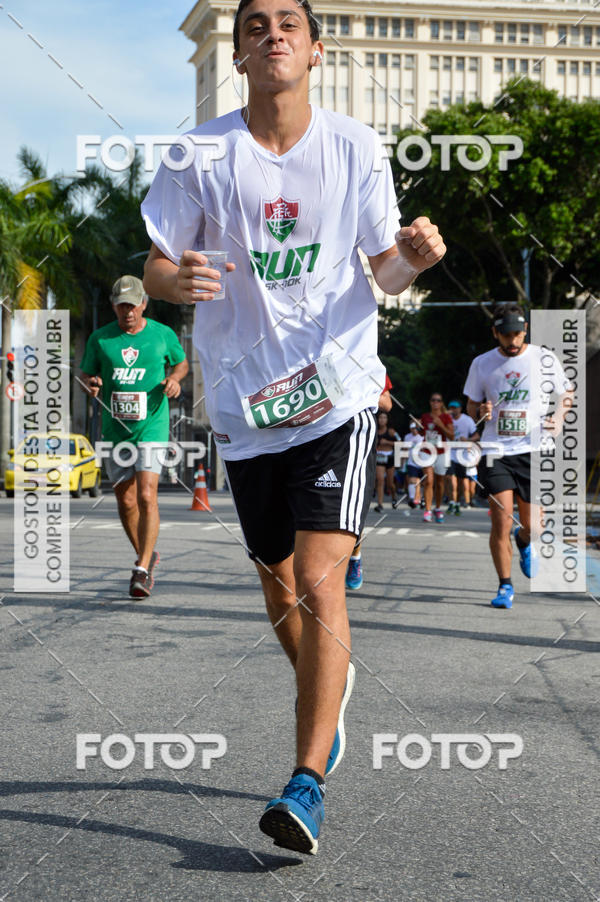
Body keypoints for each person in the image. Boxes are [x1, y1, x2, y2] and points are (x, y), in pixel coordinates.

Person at [141, 0, 446, 855]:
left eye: (287, 24)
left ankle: (305, 783)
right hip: (244, 404)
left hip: (338, 394)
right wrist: (177, 280)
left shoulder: (354, 147)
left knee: (320, 577)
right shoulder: (197, 152)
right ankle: (328, 690)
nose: (270, 34)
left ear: (316, 48)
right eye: (254, 26)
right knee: (277, 581)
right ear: (237, 54)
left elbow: (382, 272)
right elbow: (156, 263)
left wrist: (412, 261)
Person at [80, 276, 188, 598]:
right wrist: (90, 384)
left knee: (146, 495)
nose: (128, 311)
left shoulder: (161, 335)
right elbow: (85, 373)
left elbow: (181, 364)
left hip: (151, 425)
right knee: (126, 501)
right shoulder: (101, 339)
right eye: (121, 305)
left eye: (133, 304)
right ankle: (147, 552)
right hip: (116, 431)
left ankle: (140, 569)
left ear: (144, 303)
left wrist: (174, 380)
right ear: (113, 305)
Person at [464, 302, 572, 609]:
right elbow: (471, 406)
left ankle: (525, 542)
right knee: (501, 521)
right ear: (495, 333)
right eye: (506, 334)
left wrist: (561, 416)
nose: (512, 341)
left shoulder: (544, 358)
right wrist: (480, 412)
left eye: (517, 334)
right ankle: (505, 586)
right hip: (496, 450)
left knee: (534, 525)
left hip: (535, 449)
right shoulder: (482, 363)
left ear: (525, 330)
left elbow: (566, 393)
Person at [345, 376, 394, 591]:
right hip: (315, 440)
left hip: (357, 440)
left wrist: (350, 387)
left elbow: (387, 404)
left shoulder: (366, 360)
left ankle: (355, 558)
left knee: (355, 505)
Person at [420, 393, 454, 523]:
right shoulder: (425, 417)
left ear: (441, 403)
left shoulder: (446, 417)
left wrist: (440, 424)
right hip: (427, 451)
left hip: (441, 452)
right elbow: (423, 433)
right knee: (428, 481)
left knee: (440, 483)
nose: (435, 402)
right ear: (430, 402)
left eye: (438, 400)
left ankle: (438, 508)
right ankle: (427, 510)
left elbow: (451, 435)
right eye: (433, 400)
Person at [446, 400, 479, 515]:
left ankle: (458, 501)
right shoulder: (445, 418)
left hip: (463, 455)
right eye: (451, 407)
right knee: (451, 480)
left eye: (455, 407)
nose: (453, 410)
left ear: (460, 408)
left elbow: (477, 436)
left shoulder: (467, 420)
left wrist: (468, 440)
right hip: (449, 453)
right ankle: (452, 501)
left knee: (461, 482)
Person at [373, 411, 401, 513]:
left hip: (389, 457)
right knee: (380, 479)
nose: (382, 420)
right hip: (379, 457)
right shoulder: (374, 430)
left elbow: (400, 441)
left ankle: (394, 497)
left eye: (384, 418)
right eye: (380, 418)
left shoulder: (391, 431)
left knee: (390, 483)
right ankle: (380, 504)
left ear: (387, 420)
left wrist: (387, 442)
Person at [404, 420, 424, 508]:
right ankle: (412, 499)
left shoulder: (423, 437)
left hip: (423, 462)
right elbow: (405, 449)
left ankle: (421, 499)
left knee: (422, 482)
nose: (414, 430)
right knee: (412, 480)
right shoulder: (407, 437)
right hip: (411, 462)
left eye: (415, 428)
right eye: (412, 428)